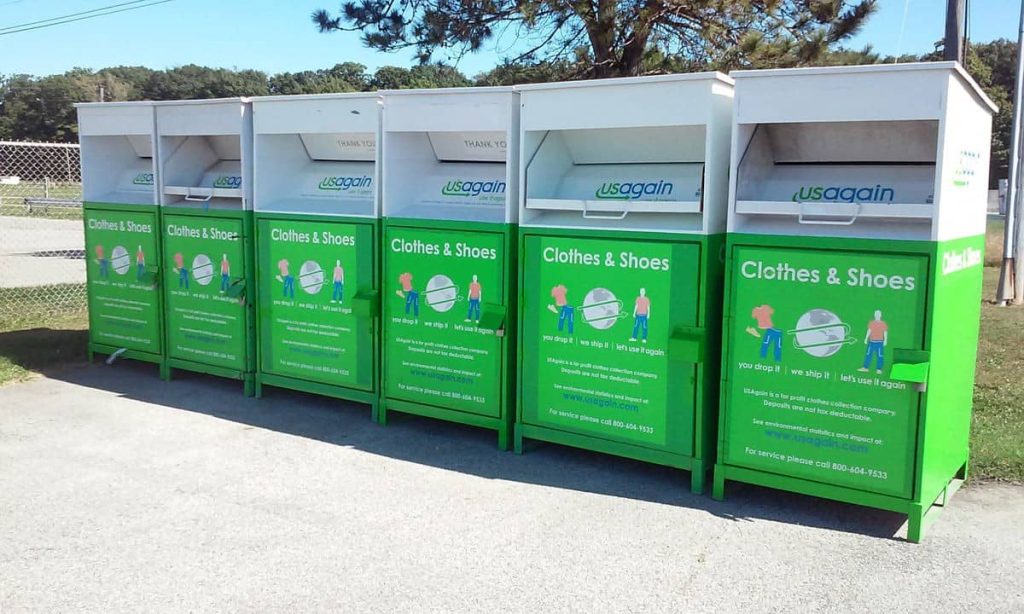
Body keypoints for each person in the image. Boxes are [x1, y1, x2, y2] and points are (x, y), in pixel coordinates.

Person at [859, 310, 888, 374]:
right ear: (874, 315)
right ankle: (865, 368)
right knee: (868, 354)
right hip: (871, 342)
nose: (877, 315)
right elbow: (869, 330)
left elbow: (885, 332)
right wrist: (866, 338)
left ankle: (879, 369)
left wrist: (885, 340)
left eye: (878, 314)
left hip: (879, 343)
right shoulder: (871, 323)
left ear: (880, 315)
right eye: (876, 314)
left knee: (880, 356)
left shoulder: (883, 323)